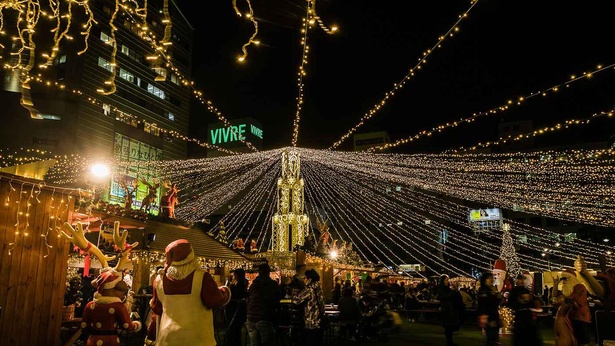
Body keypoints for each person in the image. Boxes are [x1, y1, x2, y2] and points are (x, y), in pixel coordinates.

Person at [147, 239, 231, 345]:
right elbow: (215, 300)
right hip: (199, 339)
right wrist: (225, 291)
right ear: (191, 256)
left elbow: (157, 309)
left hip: (168, 338)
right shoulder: (202, 277)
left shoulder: (159, 280)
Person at [80, 269, 142, 346]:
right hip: (111, 341)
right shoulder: (118, 306)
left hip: (93, 340)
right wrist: (137, 324)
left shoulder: (90, 305)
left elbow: (84, 326)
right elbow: (127, 326)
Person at [246, 263, 281, 346]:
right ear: (268, 273)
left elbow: (248, 298)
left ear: (259, 272)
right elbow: (276, 299)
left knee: (254, 343)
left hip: (250, 317)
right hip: (264, 317)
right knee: (267, 342)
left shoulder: (253, 285)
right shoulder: (272, 284)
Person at [293, 268, 326, 346]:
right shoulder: (319, 289)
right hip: (320, 322)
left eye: (305, 278)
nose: (304, 280)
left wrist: (294, 293)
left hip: (311, 322)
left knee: (310, 341)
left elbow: (296, 300)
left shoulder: (309, 289)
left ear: (309, 279)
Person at [509, 274, 542, 346]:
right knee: (520, 336)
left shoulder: (526, 291)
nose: (521, 281)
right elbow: (511, 303)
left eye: (522, 280)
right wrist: (519, 301)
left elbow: (531, 303)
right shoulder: (514, 291)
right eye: (520, 279)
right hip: (519, 316)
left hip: (527, 316)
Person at [437, 275, 464, 346]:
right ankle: (449, 341)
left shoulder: (448, 289)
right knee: (448, 326)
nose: (447, 281)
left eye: (447, 280)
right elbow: (442, 297)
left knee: (450, 326)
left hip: (451, 308)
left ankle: (450, 341)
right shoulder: (442, 289)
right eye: (446, 280)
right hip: (446, 309)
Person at [477, 272, 501, 346]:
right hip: (489, 317)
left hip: (494, 315)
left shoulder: (492, 289)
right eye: (488, 278)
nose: (491, 279)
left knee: (494, 338)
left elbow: (497, 302)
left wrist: (497, 296)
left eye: (492, 278)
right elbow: (485, 304)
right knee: (491, 339)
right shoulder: (483, 290)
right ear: (484, 280)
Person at [226, 268, 248, 346]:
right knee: (235, 329)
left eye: (234, 275)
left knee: (234, 329)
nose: (233, 276)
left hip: (236, 308)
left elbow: (235, 293)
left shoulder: (240, 283)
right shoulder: (242, 283)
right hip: (237, 308)